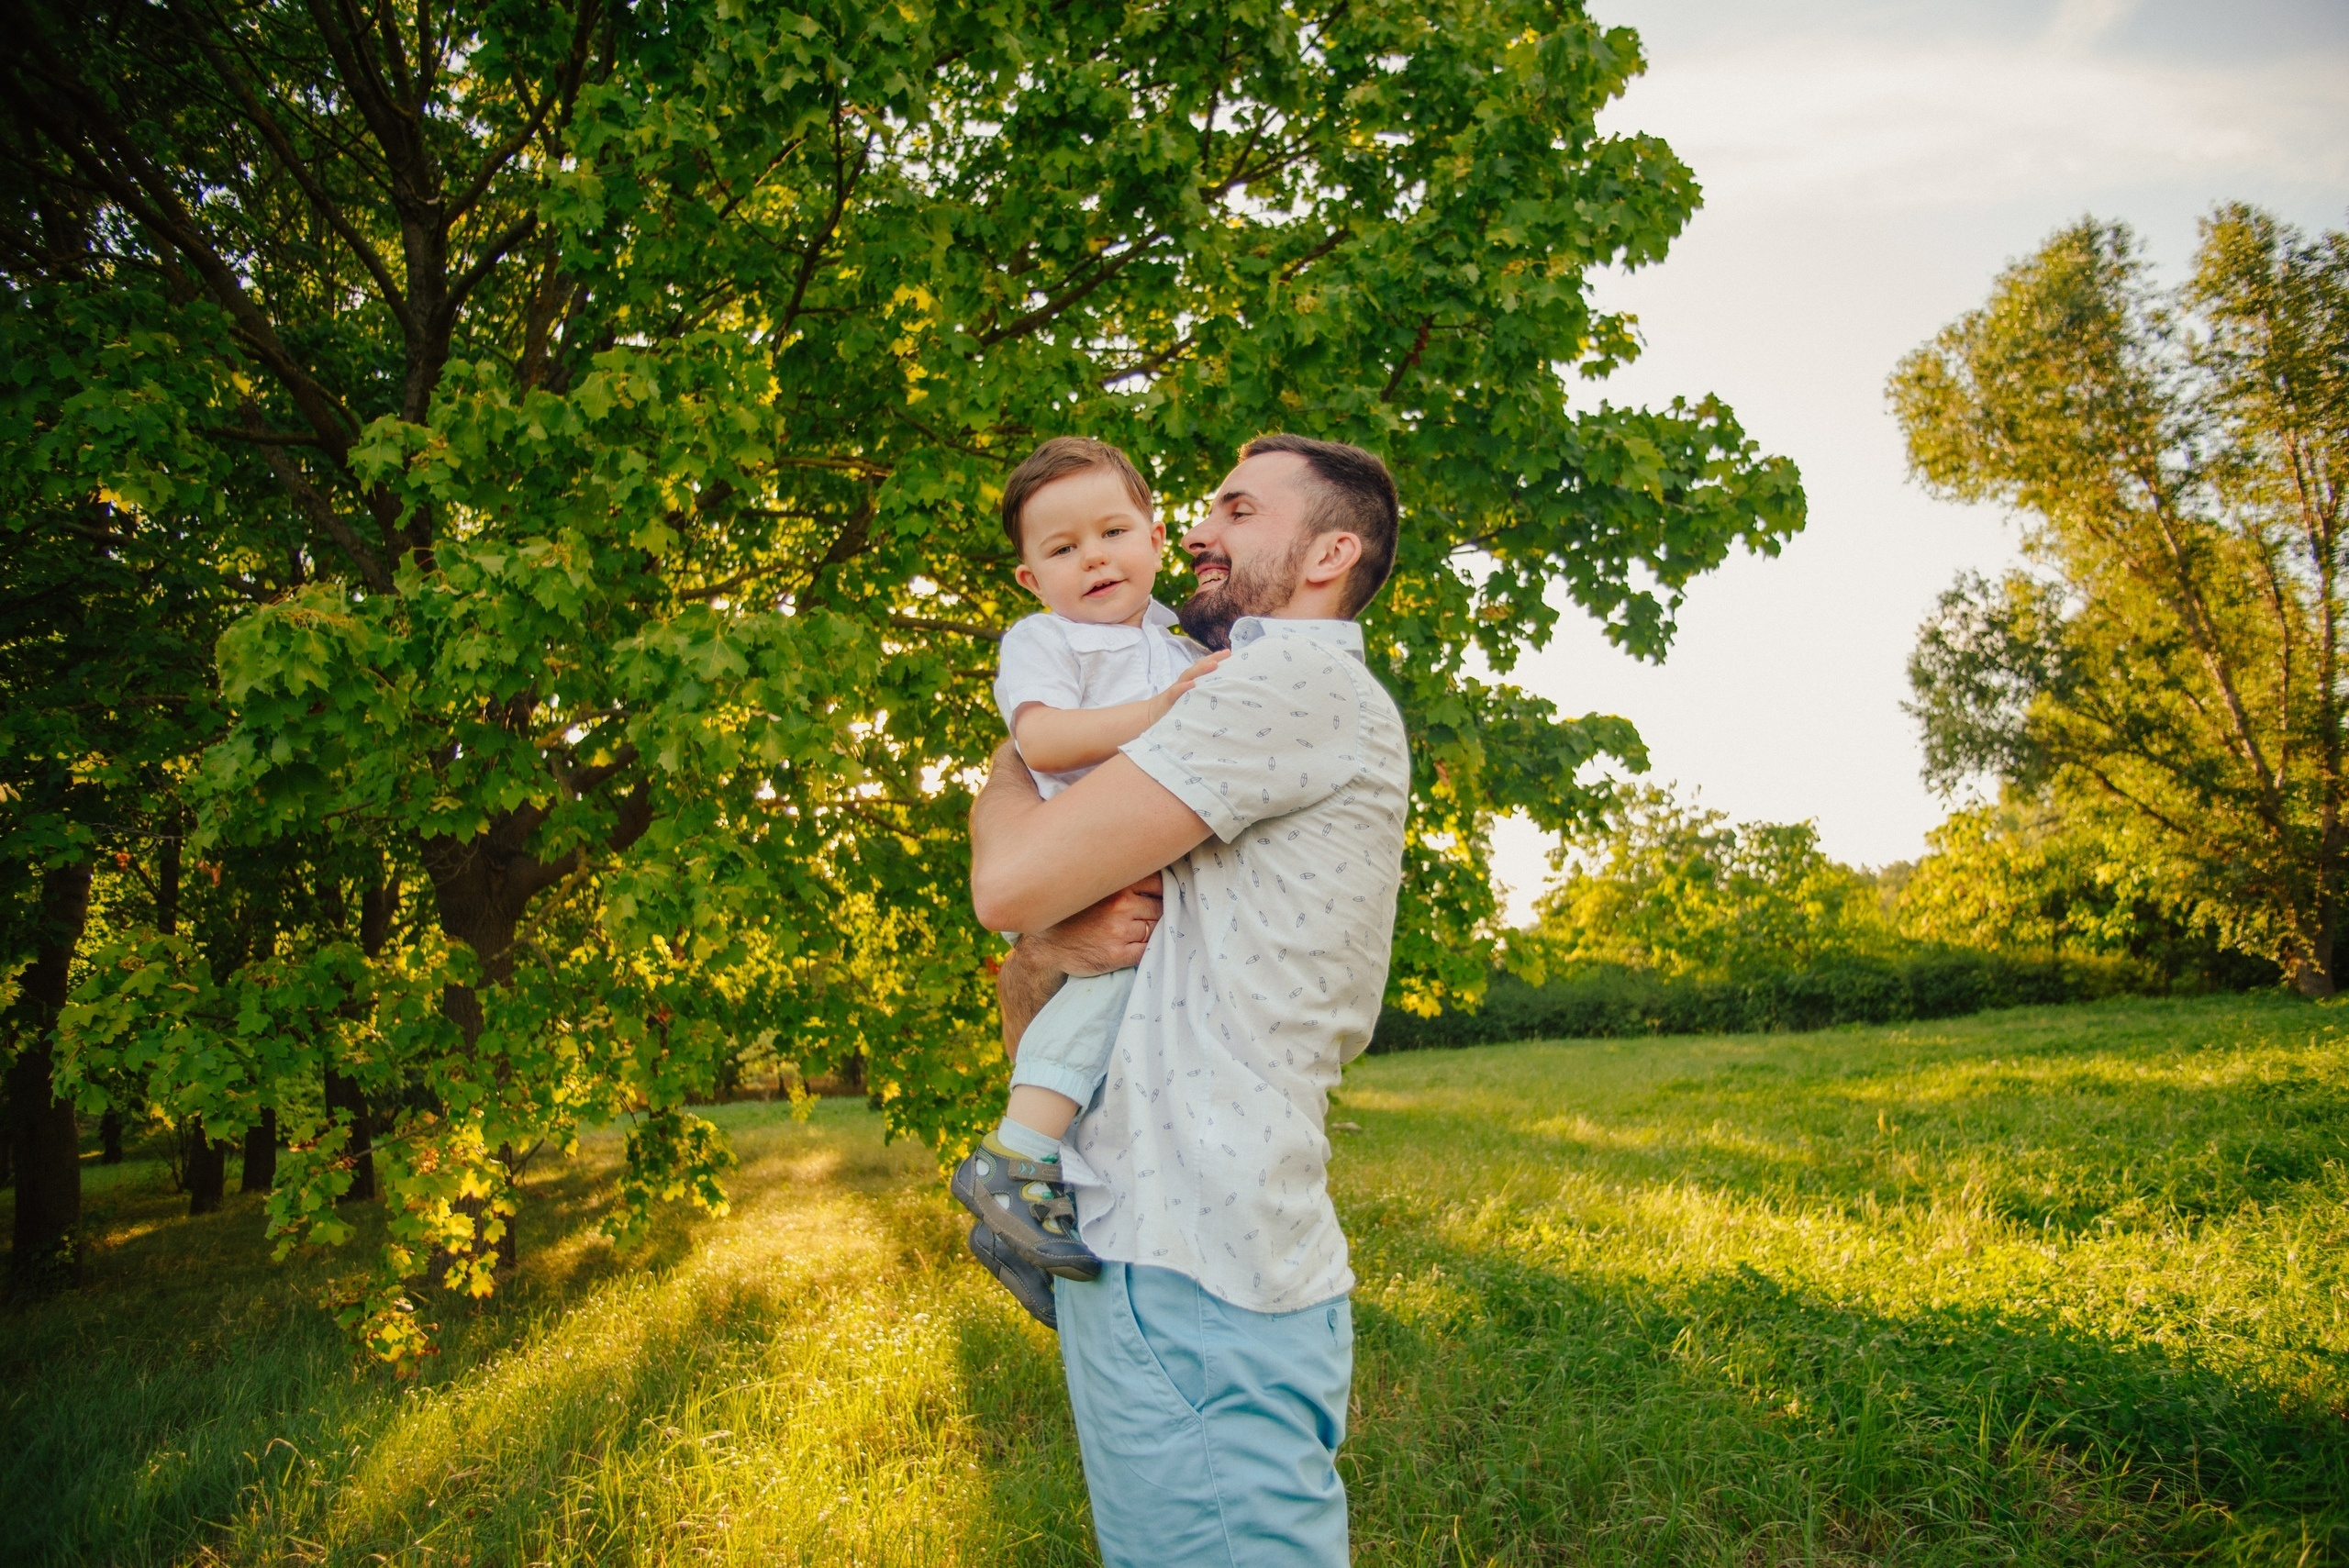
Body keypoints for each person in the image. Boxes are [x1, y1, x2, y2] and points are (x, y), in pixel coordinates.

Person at [968, 434, 1410, 1567]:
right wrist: (1046, 944)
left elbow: (1006, 881)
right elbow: (1040, 957)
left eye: (1238, 510)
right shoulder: (1196, 681)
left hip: (1193, 1256)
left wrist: (1013, 789)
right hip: (1149, 1238)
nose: (1197, 532)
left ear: (1330, 553)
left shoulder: (1280, 678)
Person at [952, 437, 1226, 1318]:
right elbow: (1038, 741)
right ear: (1031, 579)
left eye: (1112, 531)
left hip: (1137, 850)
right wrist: (1158, 711)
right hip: (1076, 850)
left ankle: (1026, 1214)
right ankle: (1014, 1155)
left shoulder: (1170, 633)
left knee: (1129, 1017)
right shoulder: (1046, 639)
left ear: (1155, 536)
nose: (1093, 557)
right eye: (1062, 549)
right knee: (1111, 987)